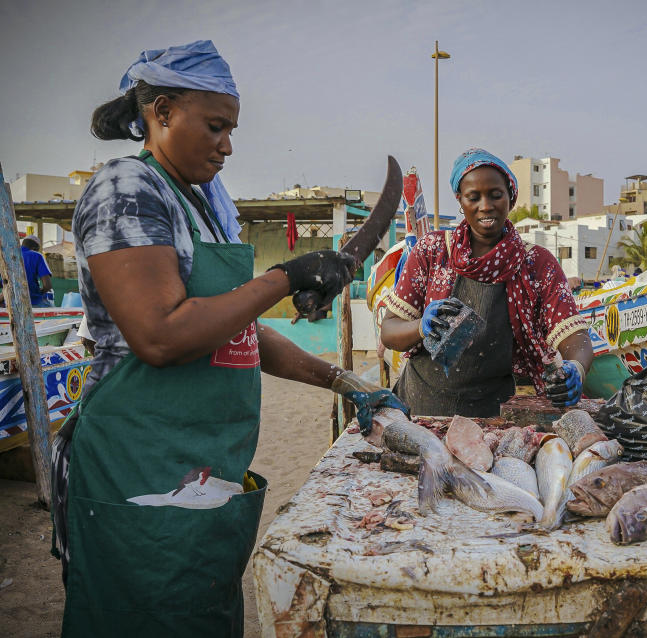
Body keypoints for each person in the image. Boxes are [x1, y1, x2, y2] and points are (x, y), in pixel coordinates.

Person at [49, 40, 405, 637]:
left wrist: (342, 380)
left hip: (205, 468)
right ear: (161, 112)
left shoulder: (203, 205)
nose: (228, 145)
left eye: (231, 129)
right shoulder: (127, 189)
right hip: (139, 467)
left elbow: (236, 329)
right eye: (215, 126)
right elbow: (160, 335)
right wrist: (284, 277)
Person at [379, 148, 593, 416]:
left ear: (510, 199)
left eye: (495, 195)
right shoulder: (432, 252)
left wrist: (577, 367)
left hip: (493, 417)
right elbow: (389, 332)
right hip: (420, 408)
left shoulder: (536, 264)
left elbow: (574, 335)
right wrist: (420, 326)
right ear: (460, 201)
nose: (486, 206)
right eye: (473, 197)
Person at [21, 235, 54, 306]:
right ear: (34, 248)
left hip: (8, 302)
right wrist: (39, 292)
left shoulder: (6, 255)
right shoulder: (37, 256)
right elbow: (47, 286)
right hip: (32, 301)